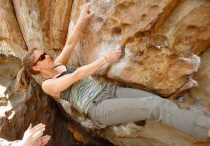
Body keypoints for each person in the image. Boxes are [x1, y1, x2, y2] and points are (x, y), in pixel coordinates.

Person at [16, 3, 210, 143]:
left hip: (110, 91)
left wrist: (82, 19)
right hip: (98, 107)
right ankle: (205, 129)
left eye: (44, 53)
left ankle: (134, 114)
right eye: (41, 58)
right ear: (36, 68)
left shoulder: (58, 64)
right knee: (154, 106)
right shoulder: (48, 85)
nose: (47, 56)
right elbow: (75, 76)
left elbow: (70, 43)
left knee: (157, 100)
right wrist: (104, 60)